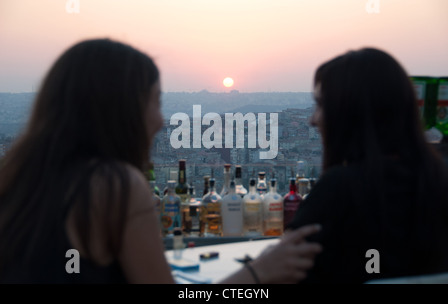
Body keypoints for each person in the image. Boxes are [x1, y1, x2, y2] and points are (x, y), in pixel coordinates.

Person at [0, 38, 321, 284]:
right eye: (156, 102)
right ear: (121, 112)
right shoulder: (116, 187)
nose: (161, 121)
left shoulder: (18, 179)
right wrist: (259, 273)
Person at [288, 48, 448, 283]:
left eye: (322, 105)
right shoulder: (438, 179)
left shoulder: (340, 190)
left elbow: (284, 269)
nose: (313, 120)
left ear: (348, 113)